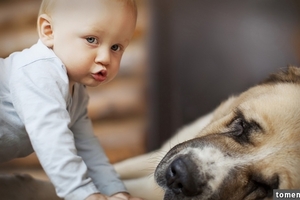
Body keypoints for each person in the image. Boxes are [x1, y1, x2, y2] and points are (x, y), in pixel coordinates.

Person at [0, 0, 142, 199]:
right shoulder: (38, 72)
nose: (105, 58)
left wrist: (116, 192)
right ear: (49, 31)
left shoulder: (77, 94)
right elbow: (52, 140)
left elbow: (87, 147)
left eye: (116, 47)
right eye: (92, 39)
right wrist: (82, 194)